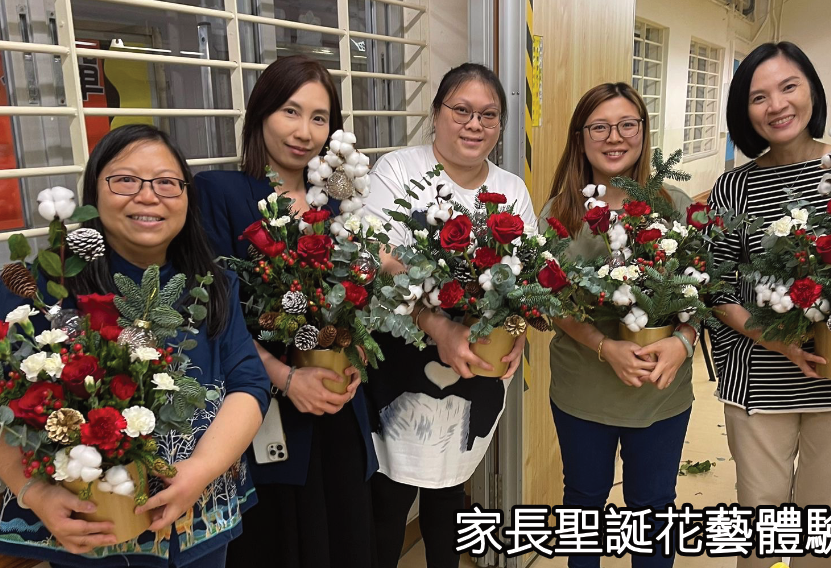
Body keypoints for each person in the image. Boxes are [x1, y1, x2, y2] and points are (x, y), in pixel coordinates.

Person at [0, 124, 269, 567]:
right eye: (125, 180)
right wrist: (34, 493)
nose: (148, 196)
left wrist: (198, 472)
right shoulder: (46, 288)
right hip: (88, 530)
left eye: (167, 182)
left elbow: (248, 384)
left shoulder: (212, 284)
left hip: (198, 518)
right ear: (94, 192)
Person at [707, 41, 831, 568]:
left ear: (812, 91)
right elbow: (716, 287)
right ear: (744, 110)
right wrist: (776, 340)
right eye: (759, 96)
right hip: (760, 379)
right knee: (760, 529)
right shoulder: (734, 187)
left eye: (788, 87)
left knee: (822, 527)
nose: (776, 105)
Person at [195, 55, 378, 568]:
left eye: (319, 118)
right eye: (290, 112)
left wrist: (355, 352)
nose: (304, 132)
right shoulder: (222, 194)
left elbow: (357, 298)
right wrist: (285, 377)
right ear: (261, 113)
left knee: (346, 539)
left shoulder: (338, 205)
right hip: (266, 413)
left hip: (339, 406)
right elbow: (216, 314)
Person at [361, 62, 533, 568]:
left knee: (450, 493)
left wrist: (518, 329)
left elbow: (526, 275)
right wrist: (436, 320)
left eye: (488, 115)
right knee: (389, 495)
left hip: (475, 363)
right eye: (461, 110)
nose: (474, 124)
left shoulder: (511, 189)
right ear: (436, 113)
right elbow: (377, 256)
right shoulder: (399, 169)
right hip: (401, 357)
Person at [538, 82, 697, 568]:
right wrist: (605, 347)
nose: (615, 137)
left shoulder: (675, 204)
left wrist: (684, 342)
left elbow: (703, 292)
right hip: (583, 390)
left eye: (627, 124)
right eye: (600, 127)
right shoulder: (559, 214)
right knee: (583, 503)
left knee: (654, 508)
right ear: (580, 137)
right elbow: (552, 303)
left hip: (661, 390)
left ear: (643, 132)